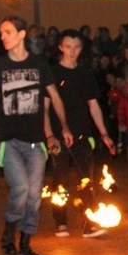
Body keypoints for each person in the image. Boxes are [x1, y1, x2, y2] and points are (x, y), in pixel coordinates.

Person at [0, 16, 73, 255]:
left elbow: (55, 99)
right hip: (10, 142)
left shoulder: (39, 65)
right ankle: (9, 233)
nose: (3, 36)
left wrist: (64, 127)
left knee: (35, 194)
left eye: (7, 32)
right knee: (21, 187)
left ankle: (25, 242)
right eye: (1, 33)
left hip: (35, 142)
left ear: (21, 35)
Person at [45, 29, 118, 237]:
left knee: (86, 179)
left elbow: (94, 106)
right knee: (60, 178)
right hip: (59, 134)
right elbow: (45, 106)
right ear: (60, 47)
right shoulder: (52, 74)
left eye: (76, 47)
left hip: (83, 134)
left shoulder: (85, 74)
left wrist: (104, 133)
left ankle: (89, 222)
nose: (72, 51)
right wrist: (49, 134)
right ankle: (60, 220)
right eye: (68, 47)